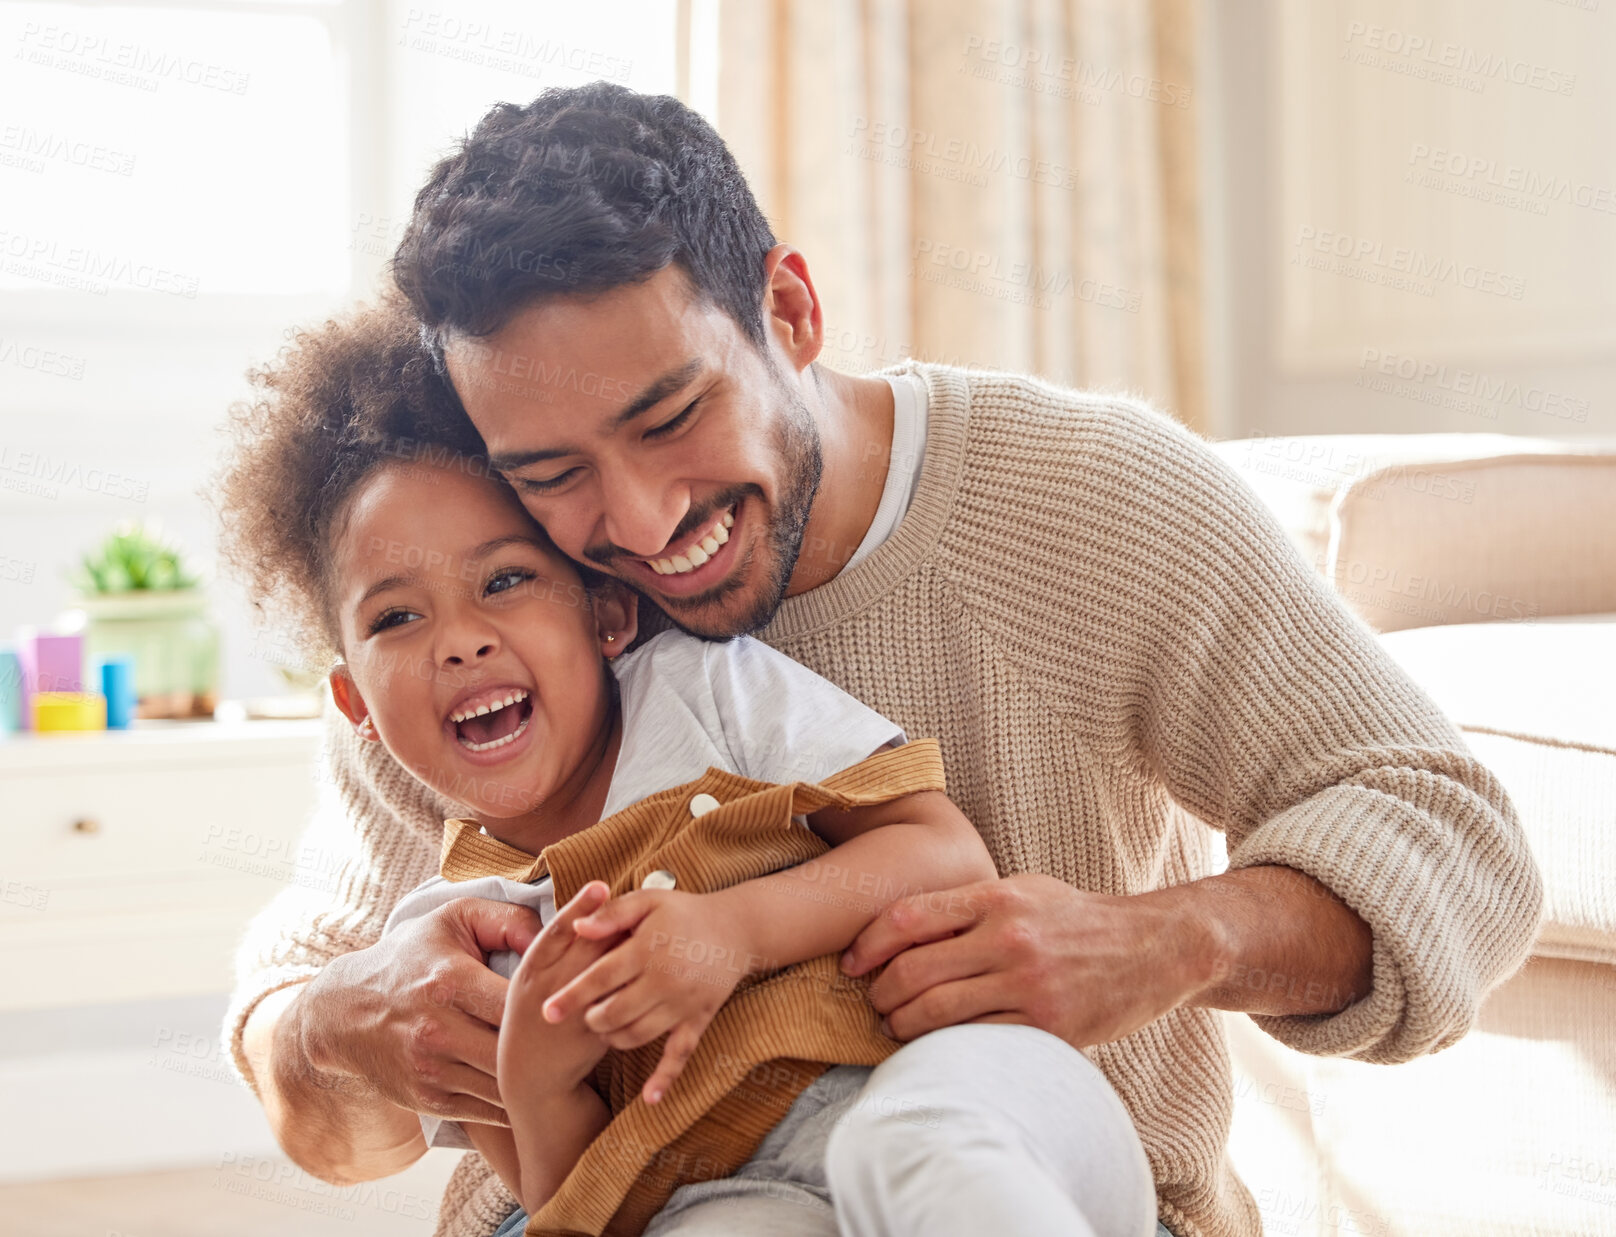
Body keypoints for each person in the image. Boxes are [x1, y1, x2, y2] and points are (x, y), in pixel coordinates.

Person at [225, 84, 1543, 1237]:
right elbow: (308, 1057)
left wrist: (1166, 942)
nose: (632, 526)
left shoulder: (1090, 499)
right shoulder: (478, 597)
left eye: (673, 415)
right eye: (552, 469)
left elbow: (1458, 838)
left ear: (789, 310)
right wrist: (344, 1026)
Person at [216, 302, 1158, 1237]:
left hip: (954, 1095)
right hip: (729, 1197)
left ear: (607, 616)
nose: (460, 642)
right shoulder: (448, 949)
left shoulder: (711, 692)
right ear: (356, 711)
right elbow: (570, 1206)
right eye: (396, 618)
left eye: (505, 581)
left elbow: (944, 856)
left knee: (911, 1155)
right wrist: (535, 1079)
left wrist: (731, 930)